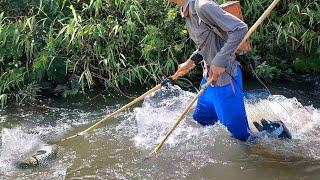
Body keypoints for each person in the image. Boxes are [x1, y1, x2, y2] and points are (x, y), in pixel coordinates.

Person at [168, 0, 251, 141]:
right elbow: (206, 42)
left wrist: (219, 61)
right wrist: (190, 61)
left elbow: (240, 29)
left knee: (240, 138)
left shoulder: (203, 6)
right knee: (201, 121)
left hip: (226, 80)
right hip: (208, 79)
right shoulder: (187, 10)